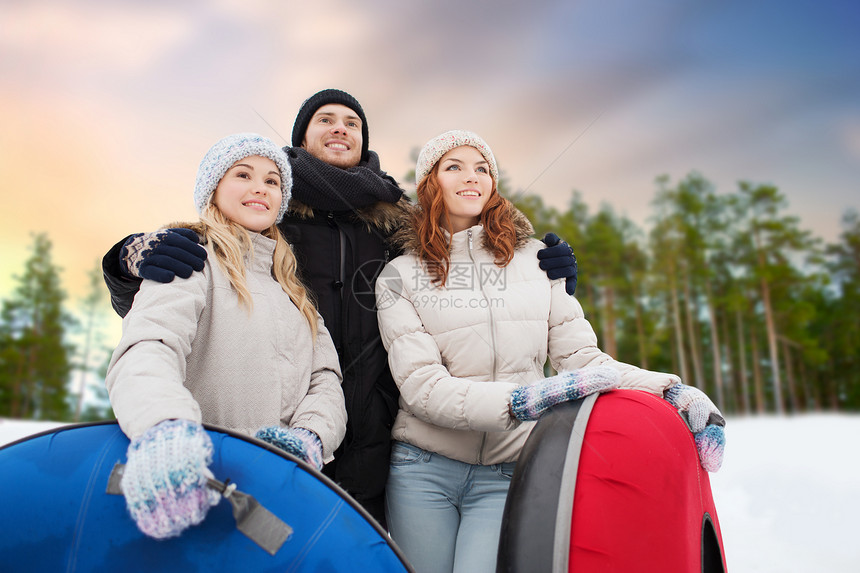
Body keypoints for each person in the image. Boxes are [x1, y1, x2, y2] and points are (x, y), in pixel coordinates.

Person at [100, 89, 578, 527]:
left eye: (352, 122)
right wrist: (127, 260)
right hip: (270, 426)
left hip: (374, 429)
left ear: (364, 141)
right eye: (325, 119)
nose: (340, 128)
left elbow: (459, 244)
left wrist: (533, 259)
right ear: (301, 138)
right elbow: (169, 313)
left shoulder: (397, 220)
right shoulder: (269, 213)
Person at [374, 130, 726, 573]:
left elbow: (582, 360)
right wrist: (519, 401)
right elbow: (421, 386)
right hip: (422, 470)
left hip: (507, 470)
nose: (472, 177)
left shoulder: (537, 261)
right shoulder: (397, 275)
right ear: (431, 183)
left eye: (482, 168)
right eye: (454, 167)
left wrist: (670, 391)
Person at [105, 133, 347, 540]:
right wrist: (163, 428)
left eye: (272, 181)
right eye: (243, 174)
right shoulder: (190, 259)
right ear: (214, 190)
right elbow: (148, 347)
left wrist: (309, 437)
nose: (260, 187)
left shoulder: (296, 295)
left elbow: (326, 380)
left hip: (270, 499)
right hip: (189, 481)